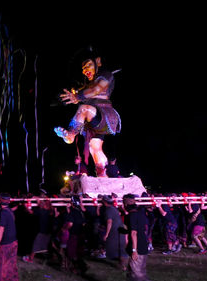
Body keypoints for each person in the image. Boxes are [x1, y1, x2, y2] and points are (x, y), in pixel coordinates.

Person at [55, 47, 121, 177]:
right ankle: (103, 176)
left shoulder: (105, 75)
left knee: (83, 108)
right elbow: (82, 92)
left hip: (104, 114)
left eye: (88, 65)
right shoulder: (86, 84)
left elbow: (95, 90)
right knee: (94, 148)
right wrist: (73, 95)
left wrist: (78, 97)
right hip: (93, 121)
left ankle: (71, 135)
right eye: (83, 68)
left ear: (98, 61)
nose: (85, 70)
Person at [123, 194, 149, 281]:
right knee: (137, 273)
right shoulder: (140, 213)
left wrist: (134, 250)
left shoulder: (132, 215)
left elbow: (134, 233)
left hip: (138, 248)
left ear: (126, 204)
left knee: (137, 275)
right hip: (143, 245)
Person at [0, 193, 18, 281]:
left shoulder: (3, 212)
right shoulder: (10, 211)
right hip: (14, 242)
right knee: (10, 266)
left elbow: (1, 231)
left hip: (6, 244)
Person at [101, 195, 128, 270]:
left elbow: (109, 222)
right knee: (121, 247)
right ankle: (122, 264)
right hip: (120, 229)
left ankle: (123, 265)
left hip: (115, 231)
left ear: (105, 202)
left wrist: (106, 234)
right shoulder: (114, 209)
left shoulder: (108, 210)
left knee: (116, 247)